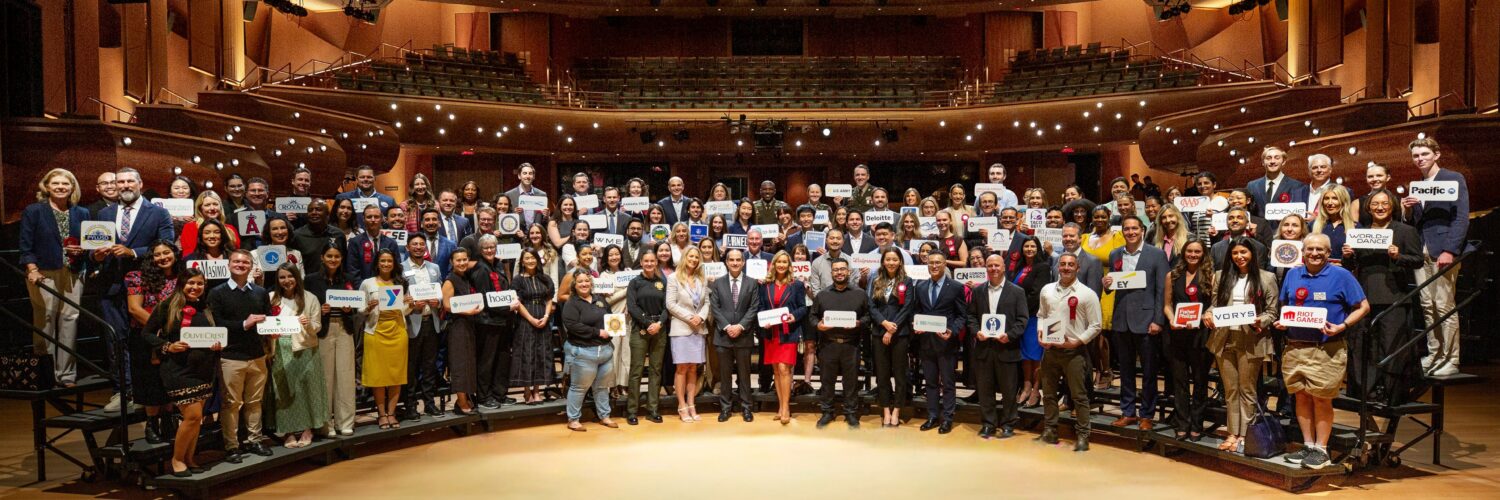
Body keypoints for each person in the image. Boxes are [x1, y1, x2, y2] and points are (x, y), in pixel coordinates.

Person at [1276, 234, 1370, 469]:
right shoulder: (1293, 274)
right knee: (1301, 396)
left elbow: (1364, 306)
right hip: (1295, 348)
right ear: (1303, 251)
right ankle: (1308, 446)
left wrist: (1343, 325)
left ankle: (1322, 449)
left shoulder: (1341, 275)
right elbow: (1285, 306)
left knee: (1321, 399)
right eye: (1310, 249)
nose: (1315, 253)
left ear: (1329, 253)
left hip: (1326, 350)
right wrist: (1283, 322)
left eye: (1320, 249)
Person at [92, 168, 176, 410]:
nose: (125, 185)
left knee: (147, 339)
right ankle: (122, 391)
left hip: (148, 285)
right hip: (112, 285)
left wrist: (133, 252)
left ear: (140, 183)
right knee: (116, 340)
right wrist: (95, 255)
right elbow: (92, 246)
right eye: (121, 182)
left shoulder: (158, 213)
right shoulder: (103, 213)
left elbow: (167, 245)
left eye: (130, 181)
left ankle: (148, 393)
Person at [1344, 189, 1424, 406]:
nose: (1379, 207)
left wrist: (1398, 256)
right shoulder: (1359, 232)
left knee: (1391, 347)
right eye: (1375, 204)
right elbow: (1351, 266)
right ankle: (1364, 392)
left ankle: (1391, 393)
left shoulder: (1405, 231)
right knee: (1363, 346)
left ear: (1392, 207)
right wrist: (1347, 256)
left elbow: (1417, 260)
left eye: (1384, 203)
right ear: (1368, 207)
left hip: (1393, 296)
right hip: (1363, 297)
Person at [1199, 237, 1277, 452]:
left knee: (1248, 389)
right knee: (1231, 389)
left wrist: (1260, 320)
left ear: (1252, 254)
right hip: (1225, 338)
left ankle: (1246, 434)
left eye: (1244, 252)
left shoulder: (1266, 277)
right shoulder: (1220, 276)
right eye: (1235, 253)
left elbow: (1272, 311)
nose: (1240, 257)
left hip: (1252, 338)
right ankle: (1233, 433)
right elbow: (1214, 305)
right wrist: (1208, 314)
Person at [139, 268, 219, 476]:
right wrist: (167, 346)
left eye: (200, 284)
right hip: (177, 371)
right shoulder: (166, 306)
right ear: (181, 284)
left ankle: (189, 458)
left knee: (196, 419)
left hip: (203, 370)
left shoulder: (206, 308)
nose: (195, 287)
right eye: (191, 283)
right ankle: (176, 459)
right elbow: (146, 334)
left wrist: (216, 345)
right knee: (192, 416)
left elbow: (212, 336)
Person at [1401, 138, 1468, 376]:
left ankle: (1452, 357)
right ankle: (1435, 353)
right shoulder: (1417, 184)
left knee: (1444, 305)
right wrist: (1408, 209)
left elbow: (1461, 217)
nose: (1420, 159)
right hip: (1422, 250)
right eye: (1416, 155)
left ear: (1436, 155)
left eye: (1424, 154)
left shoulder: (1453, 178)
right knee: (1427, 306)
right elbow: (1414, 222)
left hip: (1443, 250)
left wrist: (1450, 250)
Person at [21, 168, 90, 387]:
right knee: (45, 320)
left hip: (73, 271)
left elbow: (89, 243)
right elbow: (25, 244)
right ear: (47, 187)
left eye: (65, 184)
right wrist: (32, 269)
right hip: (43, 272)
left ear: (72, 188)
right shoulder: (34, 211)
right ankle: (45, 374)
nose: (61, 187)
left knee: (70, 321)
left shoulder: (82, 213)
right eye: (56, 184)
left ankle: (66, 375)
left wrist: (83, 251)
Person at [1104, 216, 1170, 431]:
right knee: (1125, 370)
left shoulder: (1156, 255)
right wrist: (1106, 284)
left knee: (1149, 372)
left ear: (1142, 230)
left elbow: (1162, 290)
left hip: (1147, 321)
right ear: (1122, 232)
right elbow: (1114, 285)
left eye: (1134, 228)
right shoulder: (1115, 254)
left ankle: (1147, 415)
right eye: (1126, 229)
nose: (1131, 232)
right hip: (1122, 320)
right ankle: (1128, 412)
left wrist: (1158, 320)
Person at [210, 249, 273, 462]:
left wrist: (273, 329)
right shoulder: (216, 293)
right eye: (236, 261)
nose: (240, 265)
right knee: (231, 404)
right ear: (228, 265)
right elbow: (217, 324)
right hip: (230, 357)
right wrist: (243, 324)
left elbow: (268, 320)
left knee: (255, 401)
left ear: (251, 266)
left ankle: (255, 440)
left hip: (257, 355)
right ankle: (232, 446)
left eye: (245, 262)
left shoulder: (260, 292)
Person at [1037, 253, 1104, 452]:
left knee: (1079, 396)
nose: (1066, 267)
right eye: (1063, 264)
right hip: (1050, 351)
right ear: (1058, 266)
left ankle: (1083, 435)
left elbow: (1096, 325)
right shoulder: (1047, 290)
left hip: (1074, 353)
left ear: (1078, 268)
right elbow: (1041, 315)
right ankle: (1050, 429)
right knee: (1048, 393)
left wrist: (1078, 342)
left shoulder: (1087, 294)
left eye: (1070, 265)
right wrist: (1040, 335)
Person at [124, 240, 182, 443]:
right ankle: (151, 423)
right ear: (151, 258)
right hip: (145, 338)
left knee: (169, 380)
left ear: (175, 254)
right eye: (157, 254)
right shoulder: (137, 277)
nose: (163, 257)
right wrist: (160, 329)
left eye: (167, 253)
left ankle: (168, 420)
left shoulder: (182, 278)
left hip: (174, 339)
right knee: (150, 382)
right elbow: (134, 309)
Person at [967, 253, 1028, 439]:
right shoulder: (978, 291)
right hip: (984, 349)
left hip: (1006, 348)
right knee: (985, 389)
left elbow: (1022, 320)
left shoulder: (1017, 292)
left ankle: (1008, 423)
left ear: (1003, 267)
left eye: (997, 266)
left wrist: (1009, 336)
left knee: (1009, 390)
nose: (993, 269)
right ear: (986, 268)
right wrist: (976, 331)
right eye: (990, 266)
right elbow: (970, 317)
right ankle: (988, 423)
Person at [266, 263, 327, 449]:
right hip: (280, 349)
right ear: (277, 280)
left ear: (297, 277)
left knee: (308, 389)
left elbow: (317, 327)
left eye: (290, 276)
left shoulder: (310, 298)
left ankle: (308, 429)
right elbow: (265, 325)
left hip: (306, 348)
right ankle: (289, 431)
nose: (287, 281)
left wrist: (307, 324)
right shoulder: (270, 298)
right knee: (284, 391)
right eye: (282, 277)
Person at [1161, 239, 1216, 441]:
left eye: (1197, 252)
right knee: (1180, 382)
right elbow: (1167, 305)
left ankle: (1197, 424)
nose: (1193, 255)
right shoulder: (1172, 275)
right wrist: (1171, 319)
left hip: (1201, 335)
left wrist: (1205, 316)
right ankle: (1182, 423)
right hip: (1176, 334)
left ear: (1203, 254)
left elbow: (1214, 304)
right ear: (1183, 253)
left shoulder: (1211, 275)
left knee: (1200, 382)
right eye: (1189, 251)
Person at [809, 257, 870, 429]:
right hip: (828, 345)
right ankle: (827, 411)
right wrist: (818, 325)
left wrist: (859, 323)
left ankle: (850, 413)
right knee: (827, 381)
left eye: (843, 269)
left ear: (849, 271)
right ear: (831, 273)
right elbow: (812, 316)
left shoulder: (860, 294)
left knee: (850, 382)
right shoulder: (822, 295)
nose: (839, 272)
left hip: (851, 345)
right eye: (836, 270)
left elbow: (867, 316)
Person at [303, 246, 358, 436]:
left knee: (346, 376)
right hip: (323, 331)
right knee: (324, 377)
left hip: (344, 328)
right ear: (322, 257)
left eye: (336, 256)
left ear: (341, 258)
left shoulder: (348, 279)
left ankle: (345, 422)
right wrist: (320, 309)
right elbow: (305, 306)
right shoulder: (311, 280)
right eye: (329, 256)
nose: (333, 259)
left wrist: (349, 310)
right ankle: (324, 423)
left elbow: (357, 305)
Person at [706, 248, 764, 423]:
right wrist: (727, 326)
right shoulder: (718, 283)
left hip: (743, 336)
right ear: (726, 262)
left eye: (738, 260)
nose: (735, 263)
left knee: (744, 375)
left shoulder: (752, 283)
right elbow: (714, 308)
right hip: (723, 337)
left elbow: (754, 307)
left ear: (743, 262)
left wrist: (739, 326)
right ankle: (726, 408)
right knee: (725, 375)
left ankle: (746, 407)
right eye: (731, 260)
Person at [914, 252, 967, 434]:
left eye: (938, 263)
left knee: (948, 383)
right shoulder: (920, 286)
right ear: (927, 265)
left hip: (946, 344)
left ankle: (948, 418)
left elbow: (962, 315)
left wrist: (952, 331)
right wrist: (916, 324)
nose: (934, 266)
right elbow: (917, 311)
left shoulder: (955, 287)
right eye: (931, 263)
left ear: (945, 264)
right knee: (930, 383)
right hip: (926, 342)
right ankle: (932, 416)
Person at [560, 273, 620, 431]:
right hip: (584, 352)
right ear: (574, 285)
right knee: (579, 388)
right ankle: (573, 419)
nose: (584, 284)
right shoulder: (572, 303)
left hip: (605, 352)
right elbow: (572, 325)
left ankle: (604, 416)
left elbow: (609, 316)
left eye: (587, 281)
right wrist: (597, 332)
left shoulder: (599, 299)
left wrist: (616, 325)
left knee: (602, 387)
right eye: (580, 281)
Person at [359, 249, 411, 430]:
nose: (386, 264)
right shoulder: (367, 283)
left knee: (396, 375)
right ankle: (381, 415)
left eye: (389, 261)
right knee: (378, 376)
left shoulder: (400, 283)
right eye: (383, 261)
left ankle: (392, 413)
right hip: (375, 333)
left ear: (394, 263)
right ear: (377, 263)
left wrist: (409, 304)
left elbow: (403, 311)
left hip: (397, 333)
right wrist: (368, 306)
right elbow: (359, 310)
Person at [397, 234, 444, 419]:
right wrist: (409, 304)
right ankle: (410, 406)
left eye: (421, 244)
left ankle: (430, 404)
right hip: (411, 323)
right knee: (411, 367)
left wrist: (437, 302)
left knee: (429, 366)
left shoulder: (434, 268)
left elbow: (440, 292)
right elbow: (398, 296)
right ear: (407, 247)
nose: (418, 247)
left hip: (431, 323)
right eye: (414, 244)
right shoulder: (401, 268)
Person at [472, 236, 522, 409]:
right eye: (486, 247)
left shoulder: (498, 264)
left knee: (502, 359)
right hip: (488, 322)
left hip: (503, 321)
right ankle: (484, 397)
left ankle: (499, 394)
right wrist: (508, 307)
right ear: (480, 249)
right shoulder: (480, 269)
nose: (489, 250)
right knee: (487, 361)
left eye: (492, 247)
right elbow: (485, 299)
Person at [868, 248, 915, 428]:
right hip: (879, 333)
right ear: (883, 261)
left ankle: (897, 410)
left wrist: (892, 328)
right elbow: (871, 306)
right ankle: (886, 409)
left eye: (895, 259)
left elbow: (907, 308)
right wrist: (884, 324)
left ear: (900, 261)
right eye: (888, 259)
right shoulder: (875, 280)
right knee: (882, 374)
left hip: (899, 334)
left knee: (900, 373)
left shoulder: (906, 281)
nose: (891, 262)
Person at [665, 246, 711, 422]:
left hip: (698, 328)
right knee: (682, 368)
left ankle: (692, 404)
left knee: (694, 368)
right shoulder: (673, 278)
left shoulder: (702, 278)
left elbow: (706, 302)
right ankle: (681, 404)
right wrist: (689, 317)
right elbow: (670, 304)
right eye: (691, 256)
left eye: (696, 257)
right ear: (684, 257)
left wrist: (700, 317)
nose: (694, 260)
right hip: (681, 328)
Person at [625, 250, 669, 425]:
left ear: (656, 262)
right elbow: (632, 306)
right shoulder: (634, 283)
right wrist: (646, 324)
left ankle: (652, 409)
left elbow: (667, 307)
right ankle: (632, 411)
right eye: (646, 261)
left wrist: (659, 324)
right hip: (640, 330)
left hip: (659, 329)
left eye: (652, 261)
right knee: (636, 371)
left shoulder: (662, 282)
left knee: (655, 371)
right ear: (641, 263)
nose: (650, 264)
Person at [1011, 236, 1052, 408]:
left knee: (1035, 355)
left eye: (1033, 246)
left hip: (1033, 316)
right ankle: (1026, 386)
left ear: (1038, 249)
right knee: (1024, 355)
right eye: (1026, 246)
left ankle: (1036, 390)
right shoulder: (1020, 267)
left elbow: (1037, 294)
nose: (1029, 249)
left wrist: (1020, 311)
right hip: (1020, 318)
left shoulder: (1042, 267)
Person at [511, 249, 557, 404]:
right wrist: (531, 319)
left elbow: (549, 299)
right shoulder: (517, 280)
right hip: (525, 319)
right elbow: (517, 304)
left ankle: (537, 391)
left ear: (537, 260)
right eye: (527, 258)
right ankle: (527, 392)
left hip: (543, 318)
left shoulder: (545, 278)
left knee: (541, 354)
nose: (530, 261)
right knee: (527, 354)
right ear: (522, 262)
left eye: (533, 258)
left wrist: (545, 316)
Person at [440, 248, 481, 415]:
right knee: (459, 364)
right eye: (458, 260)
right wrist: (467, 312)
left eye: (465, 259)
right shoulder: (450, 281)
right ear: (451, 262)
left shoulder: (466, 278)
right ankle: (461, 401)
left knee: (468, 362)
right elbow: (447, 305)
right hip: (457, 327)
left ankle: (465, 398)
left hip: (468, 325)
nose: (462, 263)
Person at [1247, 146, 1309, 219]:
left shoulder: (1297, 186)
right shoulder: (1252, 186)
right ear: (1263, 162)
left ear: (1283, 162)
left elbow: (1298, 215)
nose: (1272, 161)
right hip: (1258, 230)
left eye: (1277, 158)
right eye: (1268, 158)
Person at [345, 205, 401, 281]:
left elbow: (397, 269)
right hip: (363, 289)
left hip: (386, 288)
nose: (373, 220)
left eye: (376, 217)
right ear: (363, 219)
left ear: (382, 219)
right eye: (369, 217)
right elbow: (353, 270)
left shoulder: (391, 243)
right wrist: (364, 289)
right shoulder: (355, 243)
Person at [180, 191, 242, 255]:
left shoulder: (230, 228)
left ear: (220, 207)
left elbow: (236, 253)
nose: (212, 208)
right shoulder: (190, 227)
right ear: (200, 208)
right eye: (207, 205)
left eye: (215, 204)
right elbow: (188, 254)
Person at [290, 198, 345, 264]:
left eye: (318, 209)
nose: (313, 212)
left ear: (327, 214)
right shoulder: (297, 235)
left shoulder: (338, 234)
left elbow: (344, 262)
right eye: (310, 210)